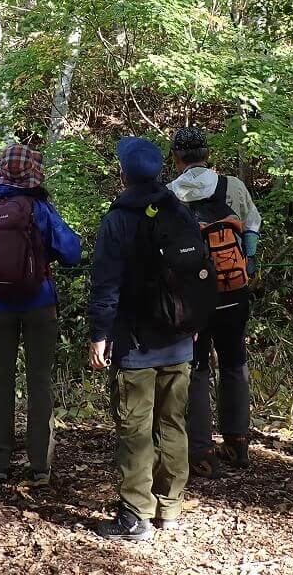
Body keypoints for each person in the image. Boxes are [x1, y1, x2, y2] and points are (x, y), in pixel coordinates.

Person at [88, 136, 203, 541]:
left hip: (134, 342)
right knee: (173, 423)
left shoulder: (117, 218)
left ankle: (136, 515)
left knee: (135, 428)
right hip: (178, 336)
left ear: (123, 173)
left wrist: (99, 334)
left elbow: (106, 283)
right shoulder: (179, 211)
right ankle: (169, 506)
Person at [0, 144, 82, 486]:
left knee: (0, 381)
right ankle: (40, 465)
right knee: (39, 381)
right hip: (39, 303)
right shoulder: (41, 209)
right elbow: (71, 253)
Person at [167, 126, 262, 477]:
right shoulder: (233, 187)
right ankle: (238, 442)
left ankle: (201, 450)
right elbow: (252, 224)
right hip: (234, 289)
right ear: (207, 155)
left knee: (196, 366)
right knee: (234, 359)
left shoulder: (170, 194)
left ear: (176, 158)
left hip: (192, 295)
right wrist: (248, 260)